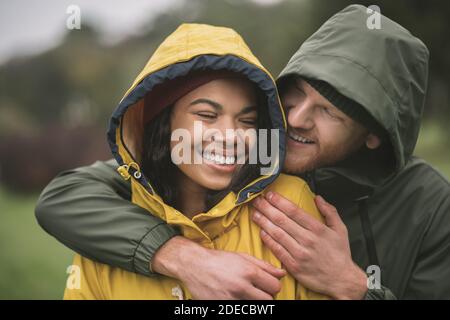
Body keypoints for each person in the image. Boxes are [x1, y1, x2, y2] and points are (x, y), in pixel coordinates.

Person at [36, 5, 450, 300]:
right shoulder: (165, 174)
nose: (297, 119)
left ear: (372, 135)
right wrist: (180, 257)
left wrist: (354, 288)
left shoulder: (430, 208)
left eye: (329, 111)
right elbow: (63, 198)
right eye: (295, 95)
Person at [61, 23, 328, 300]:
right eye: (207, 115)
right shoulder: (109, 233)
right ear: (163, 124)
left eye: (247, 121)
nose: (230, 137)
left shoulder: (289, 203)